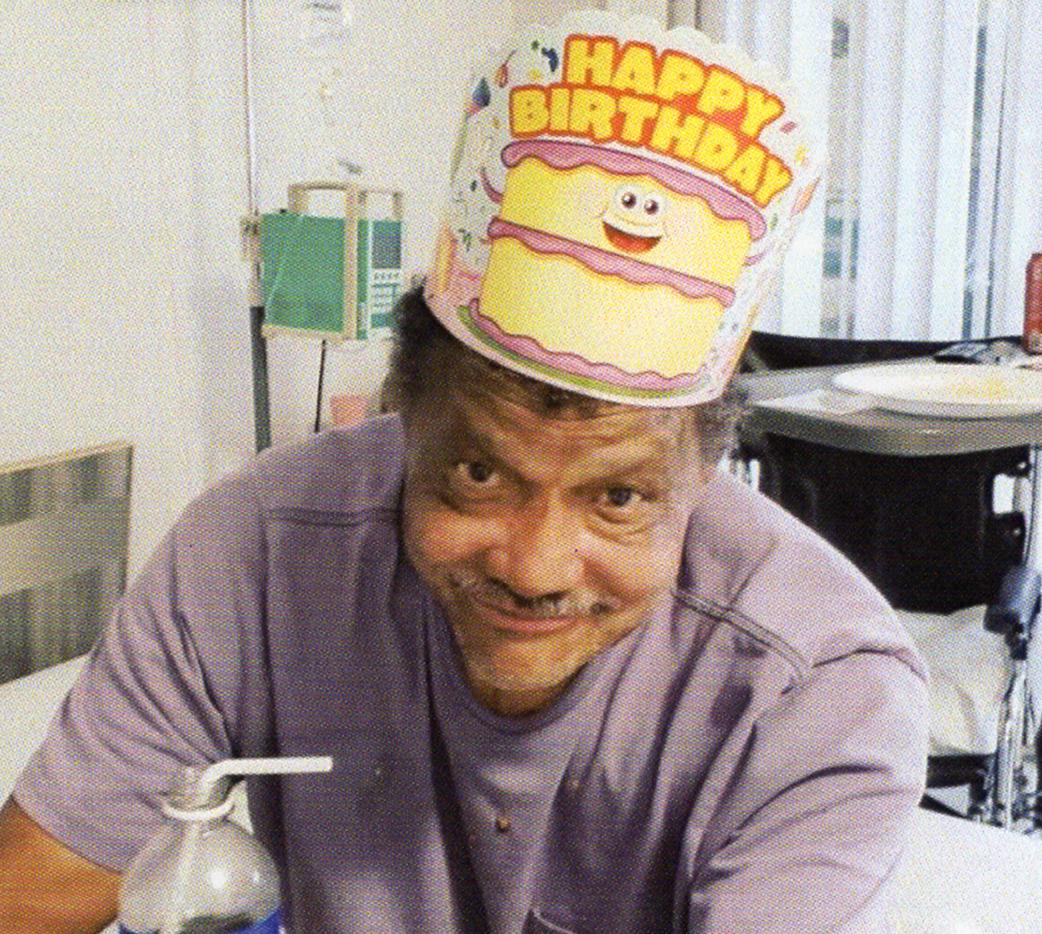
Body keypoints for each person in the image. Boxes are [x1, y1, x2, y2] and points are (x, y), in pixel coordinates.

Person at [1, 15, 928, 932]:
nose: (534, 568)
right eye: (479, 473)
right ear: (400, 411)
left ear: (706, 474)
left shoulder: (819, 686)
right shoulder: (251, 551)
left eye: (617, 497)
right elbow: (34, 891)